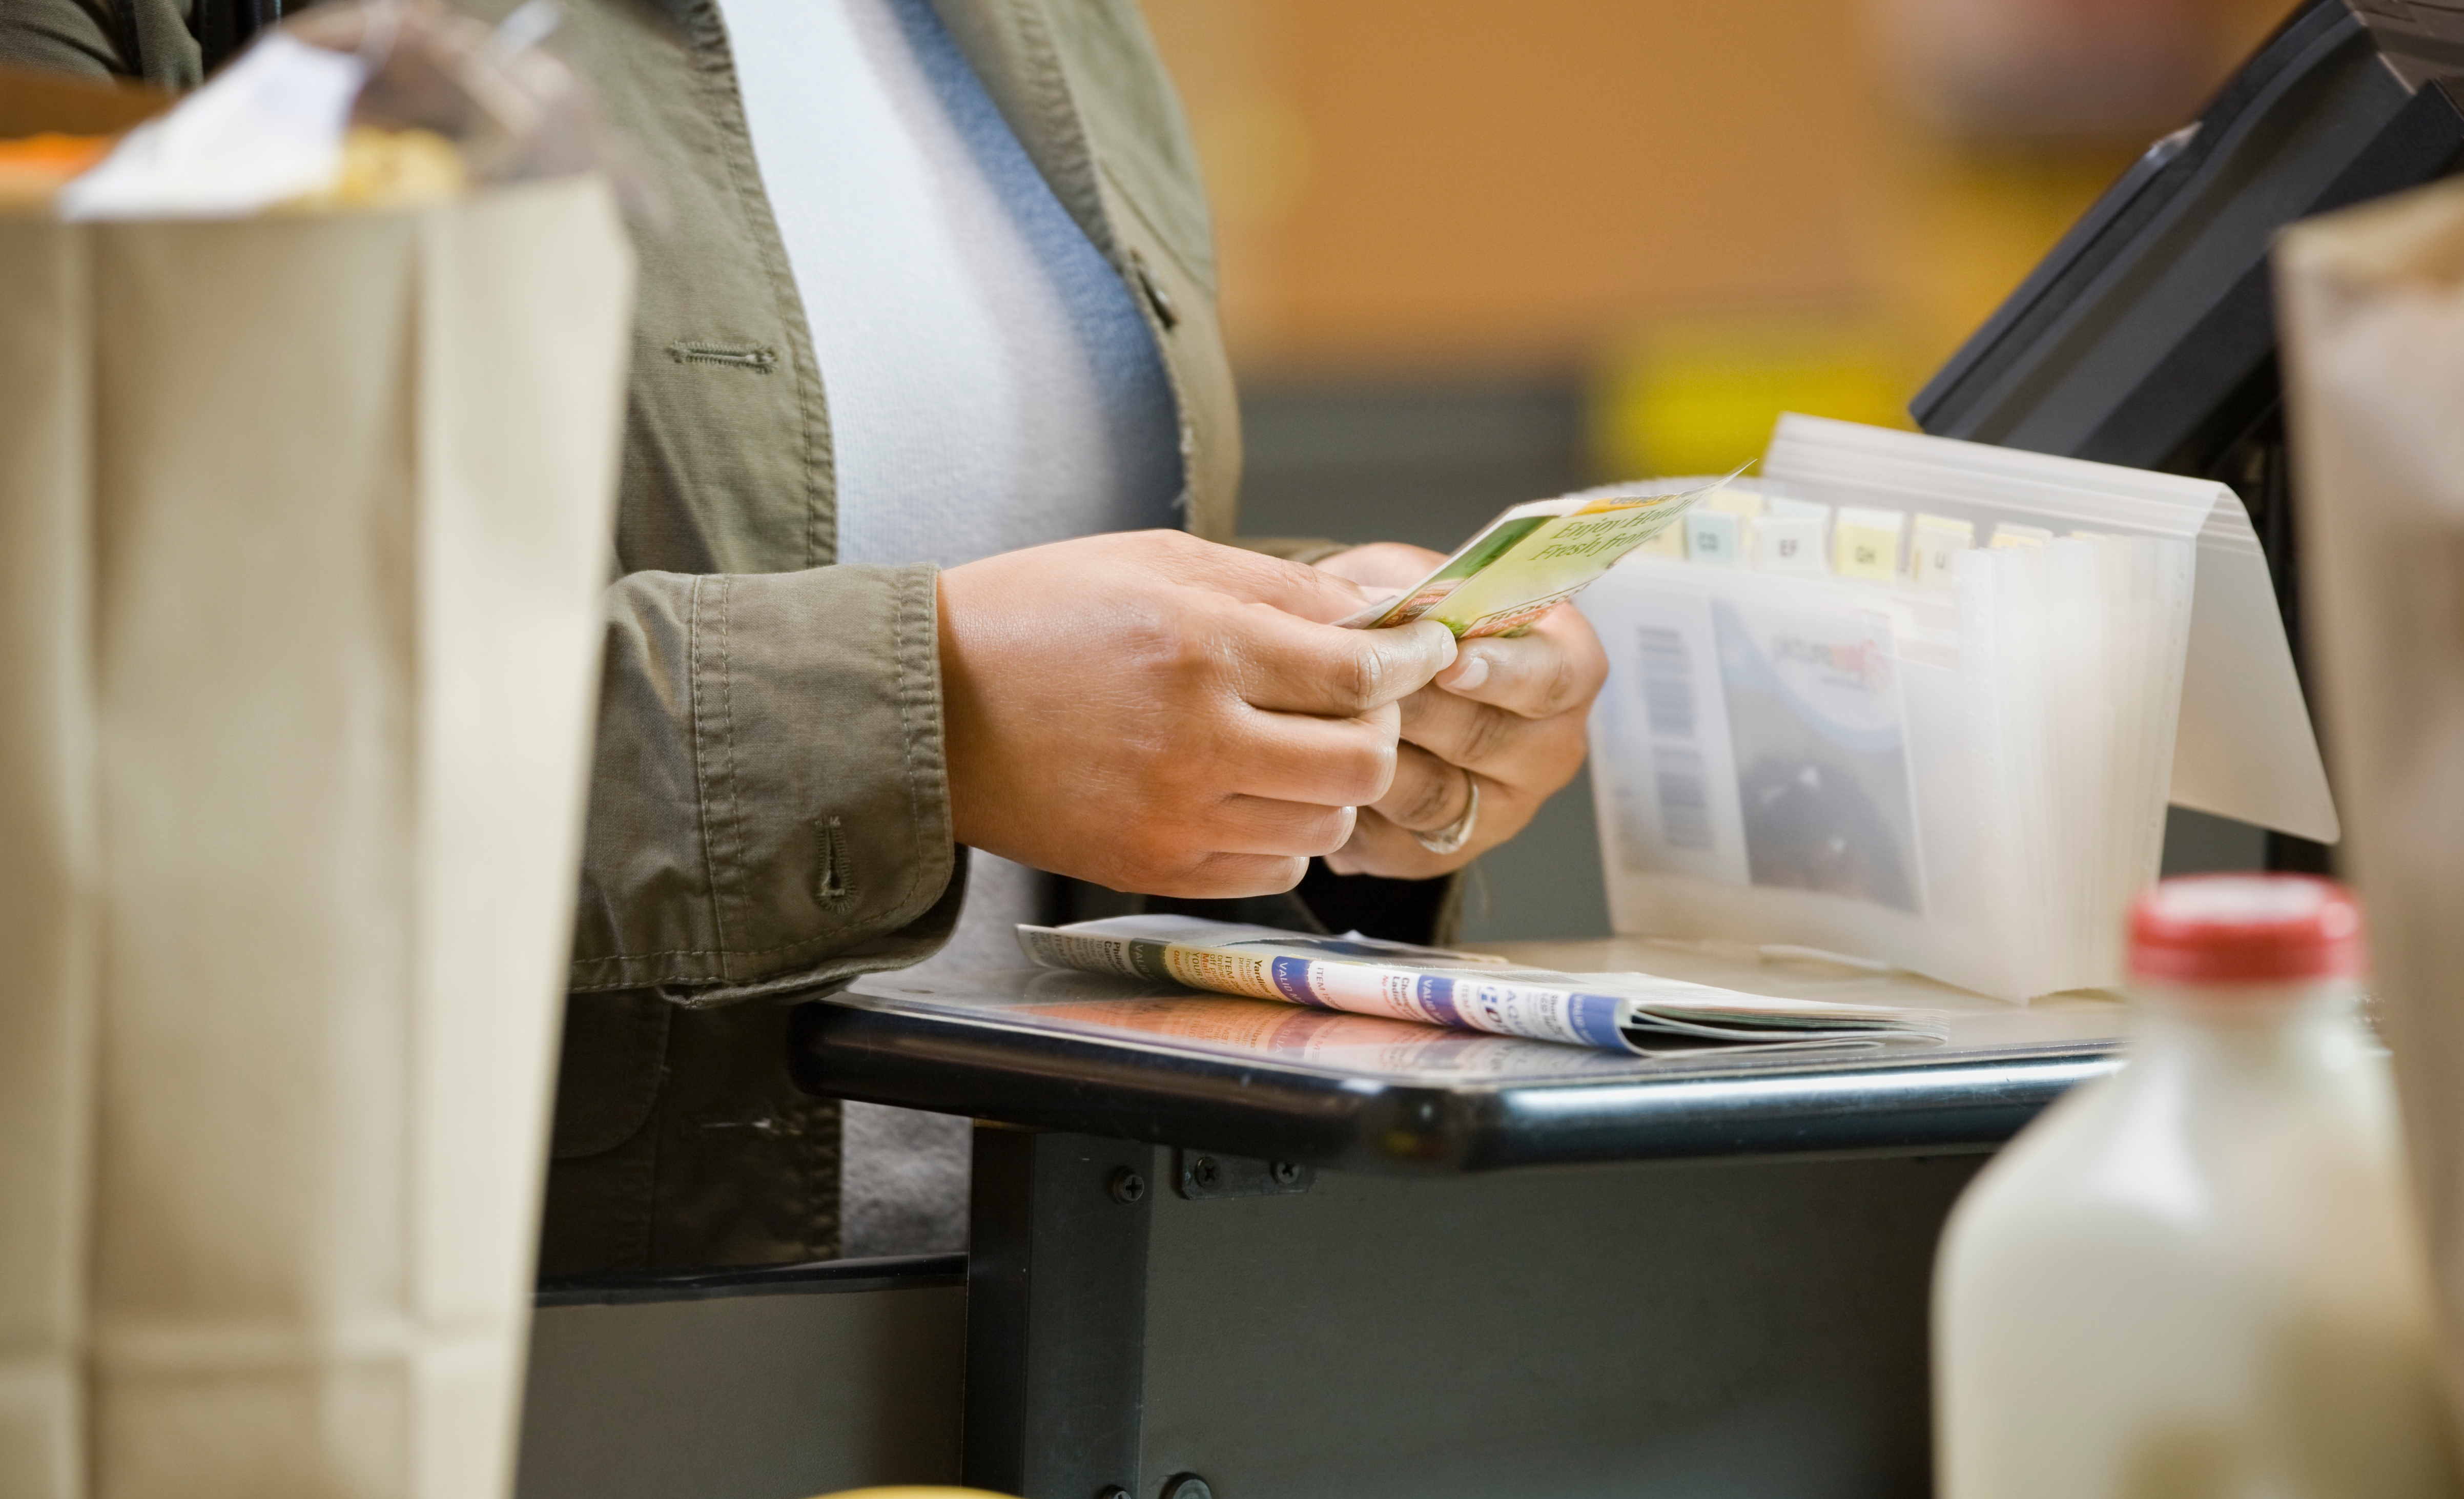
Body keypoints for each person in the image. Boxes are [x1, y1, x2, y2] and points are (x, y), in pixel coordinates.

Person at [2, 0, 1609, 1272]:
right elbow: (91, 697)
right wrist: (925, 718)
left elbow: (990, 582)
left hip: (1066, 1341)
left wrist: (1332, 711)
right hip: (465, 1359)